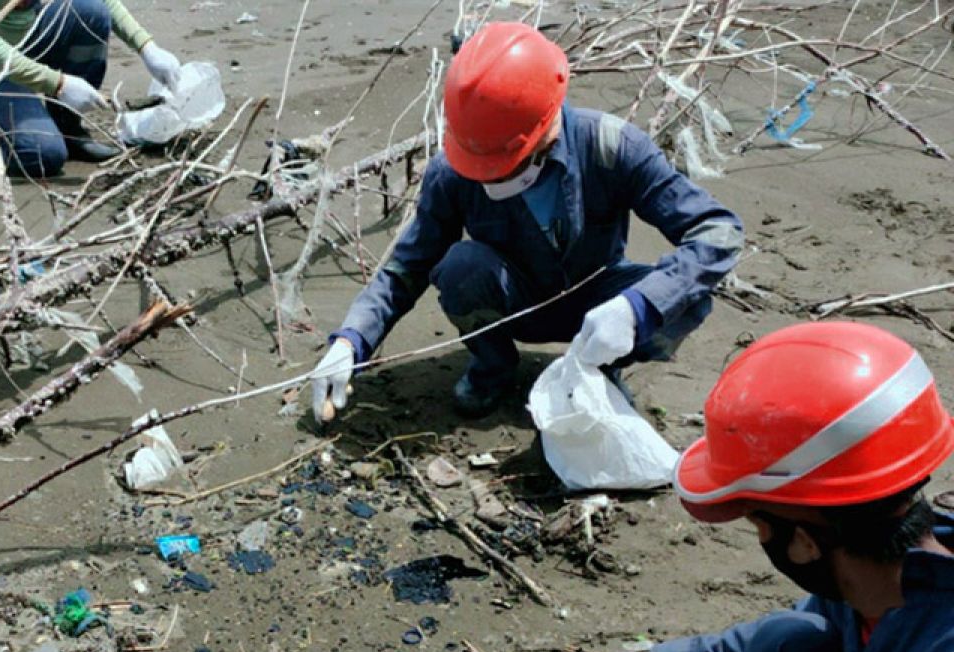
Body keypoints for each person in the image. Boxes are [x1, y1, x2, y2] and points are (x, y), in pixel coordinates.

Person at [572, 321, 954, 652]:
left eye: (757, 522)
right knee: (781, 644)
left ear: (805, 544)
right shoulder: (884, 575)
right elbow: (806, 619)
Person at [310, 21, 743, 423]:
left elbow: (717, 231)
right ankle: (493, 368)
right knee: (460, 267)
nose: (491, 179)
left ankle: (600, 369)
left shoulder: (612, 147)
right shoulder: (453, 174)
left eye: (502, 167)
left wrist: (638, 309)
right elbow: (406, 269)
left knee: (686, 297)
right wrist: (351, 341)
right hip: (512, 300)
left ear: (542, 130)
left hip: (599, 303)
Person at [0, 0, 181, 176]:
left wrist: (147, 47)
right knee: (42, 154)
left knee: (91, 11)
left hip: (15, 46)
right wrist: (58, 83)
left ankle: (68, 128)